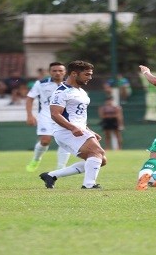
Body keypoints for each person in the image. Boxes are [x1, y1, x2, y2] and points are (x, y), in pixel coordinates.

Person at [39, 60, 107, 190]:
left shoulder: (81, 91)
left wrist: (89, 130)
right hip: (66, 131)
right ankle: (89, 185)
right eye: (87, 74)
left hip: (78, 130)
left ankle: (51, 175)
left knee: (101, 160)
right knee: (97, 152)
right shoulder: (61, 92)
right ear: (74, 74)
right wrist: (72, 127)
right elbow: (55, 114)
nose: (90, 77)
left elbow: (77, 116)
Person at [24, 62, 71, 172]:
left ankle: (61, 168)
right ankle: (36, 159)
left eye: (60, 70)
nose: (57, 73)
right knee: (45, 140)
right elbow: (30, 98)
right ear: (50, 72)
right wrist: (29, 115)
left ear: (65, 72)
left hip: (65, 116)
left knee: (65, 141)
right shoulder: (41, 83)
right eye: (54, 71)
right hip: (46, 115)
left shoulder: (71, 85)